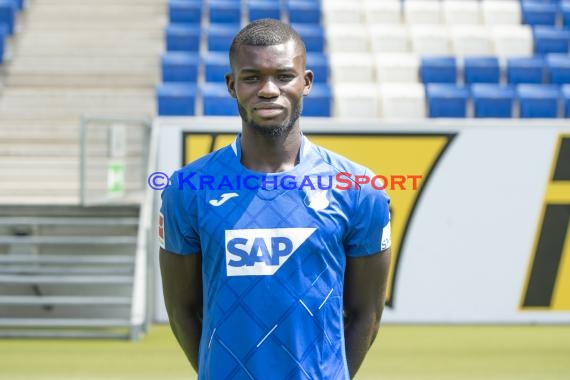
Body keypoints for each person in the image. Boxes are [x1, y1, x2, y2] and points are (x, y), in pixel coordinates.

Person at [159, 19, 392, 380]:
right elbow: (182, 312)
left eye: (284, 76)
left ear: (307, 82)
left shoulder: (359, 188)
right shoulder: (187, 189)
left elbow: (366, 314)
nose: (269, 90)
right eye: (252, 77)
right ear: (232, 86)